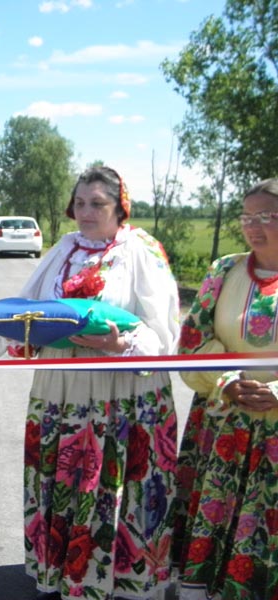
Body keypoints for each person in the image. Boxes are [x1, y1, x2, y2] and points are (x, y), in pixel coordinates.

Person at [0, 166, 181, 599]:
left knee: (115, 481)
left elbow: (165, 328)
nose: (86, 212)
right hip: (63, 386)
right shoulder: (63, 249)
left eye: (98, 203)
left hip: (122, 387)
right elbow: (30, 306)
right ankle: (67, 572)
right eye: (79, 203)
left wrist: (123, 344)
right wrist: (27, 332)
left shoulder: (141, 250)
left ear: (120, 208)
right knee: (65, 479)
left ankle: (120, 578)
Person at [172, 178, 278, 599]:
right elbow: (192, 340)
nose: (253, 225)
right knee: (220, 520)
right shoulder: (224, 271)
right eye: (247, 216)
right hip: (224, 427)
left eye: (266, 215)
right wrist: (229, 381)